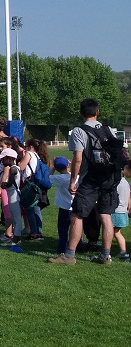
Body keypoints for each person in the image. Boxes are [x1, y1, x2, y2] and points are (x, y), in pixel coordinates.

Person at [50, 98, 121, 265]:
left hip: (90, 179)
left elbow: (78, 159)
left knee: (77, 215)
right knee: (105, 215)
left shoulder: (78, 131)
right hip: (110, 178)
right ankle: (105, 255)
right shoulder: (108, 129)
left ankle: (69, 255)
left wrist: (73, 180)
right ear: (98, 112)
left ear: (80, 113)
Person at [0, 148, 23, 250]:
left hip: (14, 197)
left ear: (9, 158)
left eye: (4, 159)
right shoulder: (15, 167)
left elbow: (10, 183)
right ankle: (16, 238)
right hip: (12, 195)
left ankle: (16, 239)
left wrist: (4, 184)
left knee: (16, 219)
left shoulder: (13, 169)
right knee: (14, 218)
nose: (2, 161)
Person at [49, 156, 73, 257]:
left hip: (64, 207)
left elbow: (49, 175)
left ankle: (61, 249)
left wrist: (54, 167)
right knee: (75, 228)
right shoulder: (74, 177)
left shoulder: (59, 178)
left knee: (63, 230)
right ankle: (77, 246)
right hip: (75, 207)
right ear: (68, 166)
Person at [112, 163, 131, 262]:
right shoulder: (126, 183)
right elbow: (129, 197)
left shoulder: (116, 182)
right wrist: (128, 208)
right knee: (117, 232)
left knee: (113, 233)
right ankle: (123, 253)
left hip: (116, 211)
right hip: (123, 211)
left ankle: (121, 253)